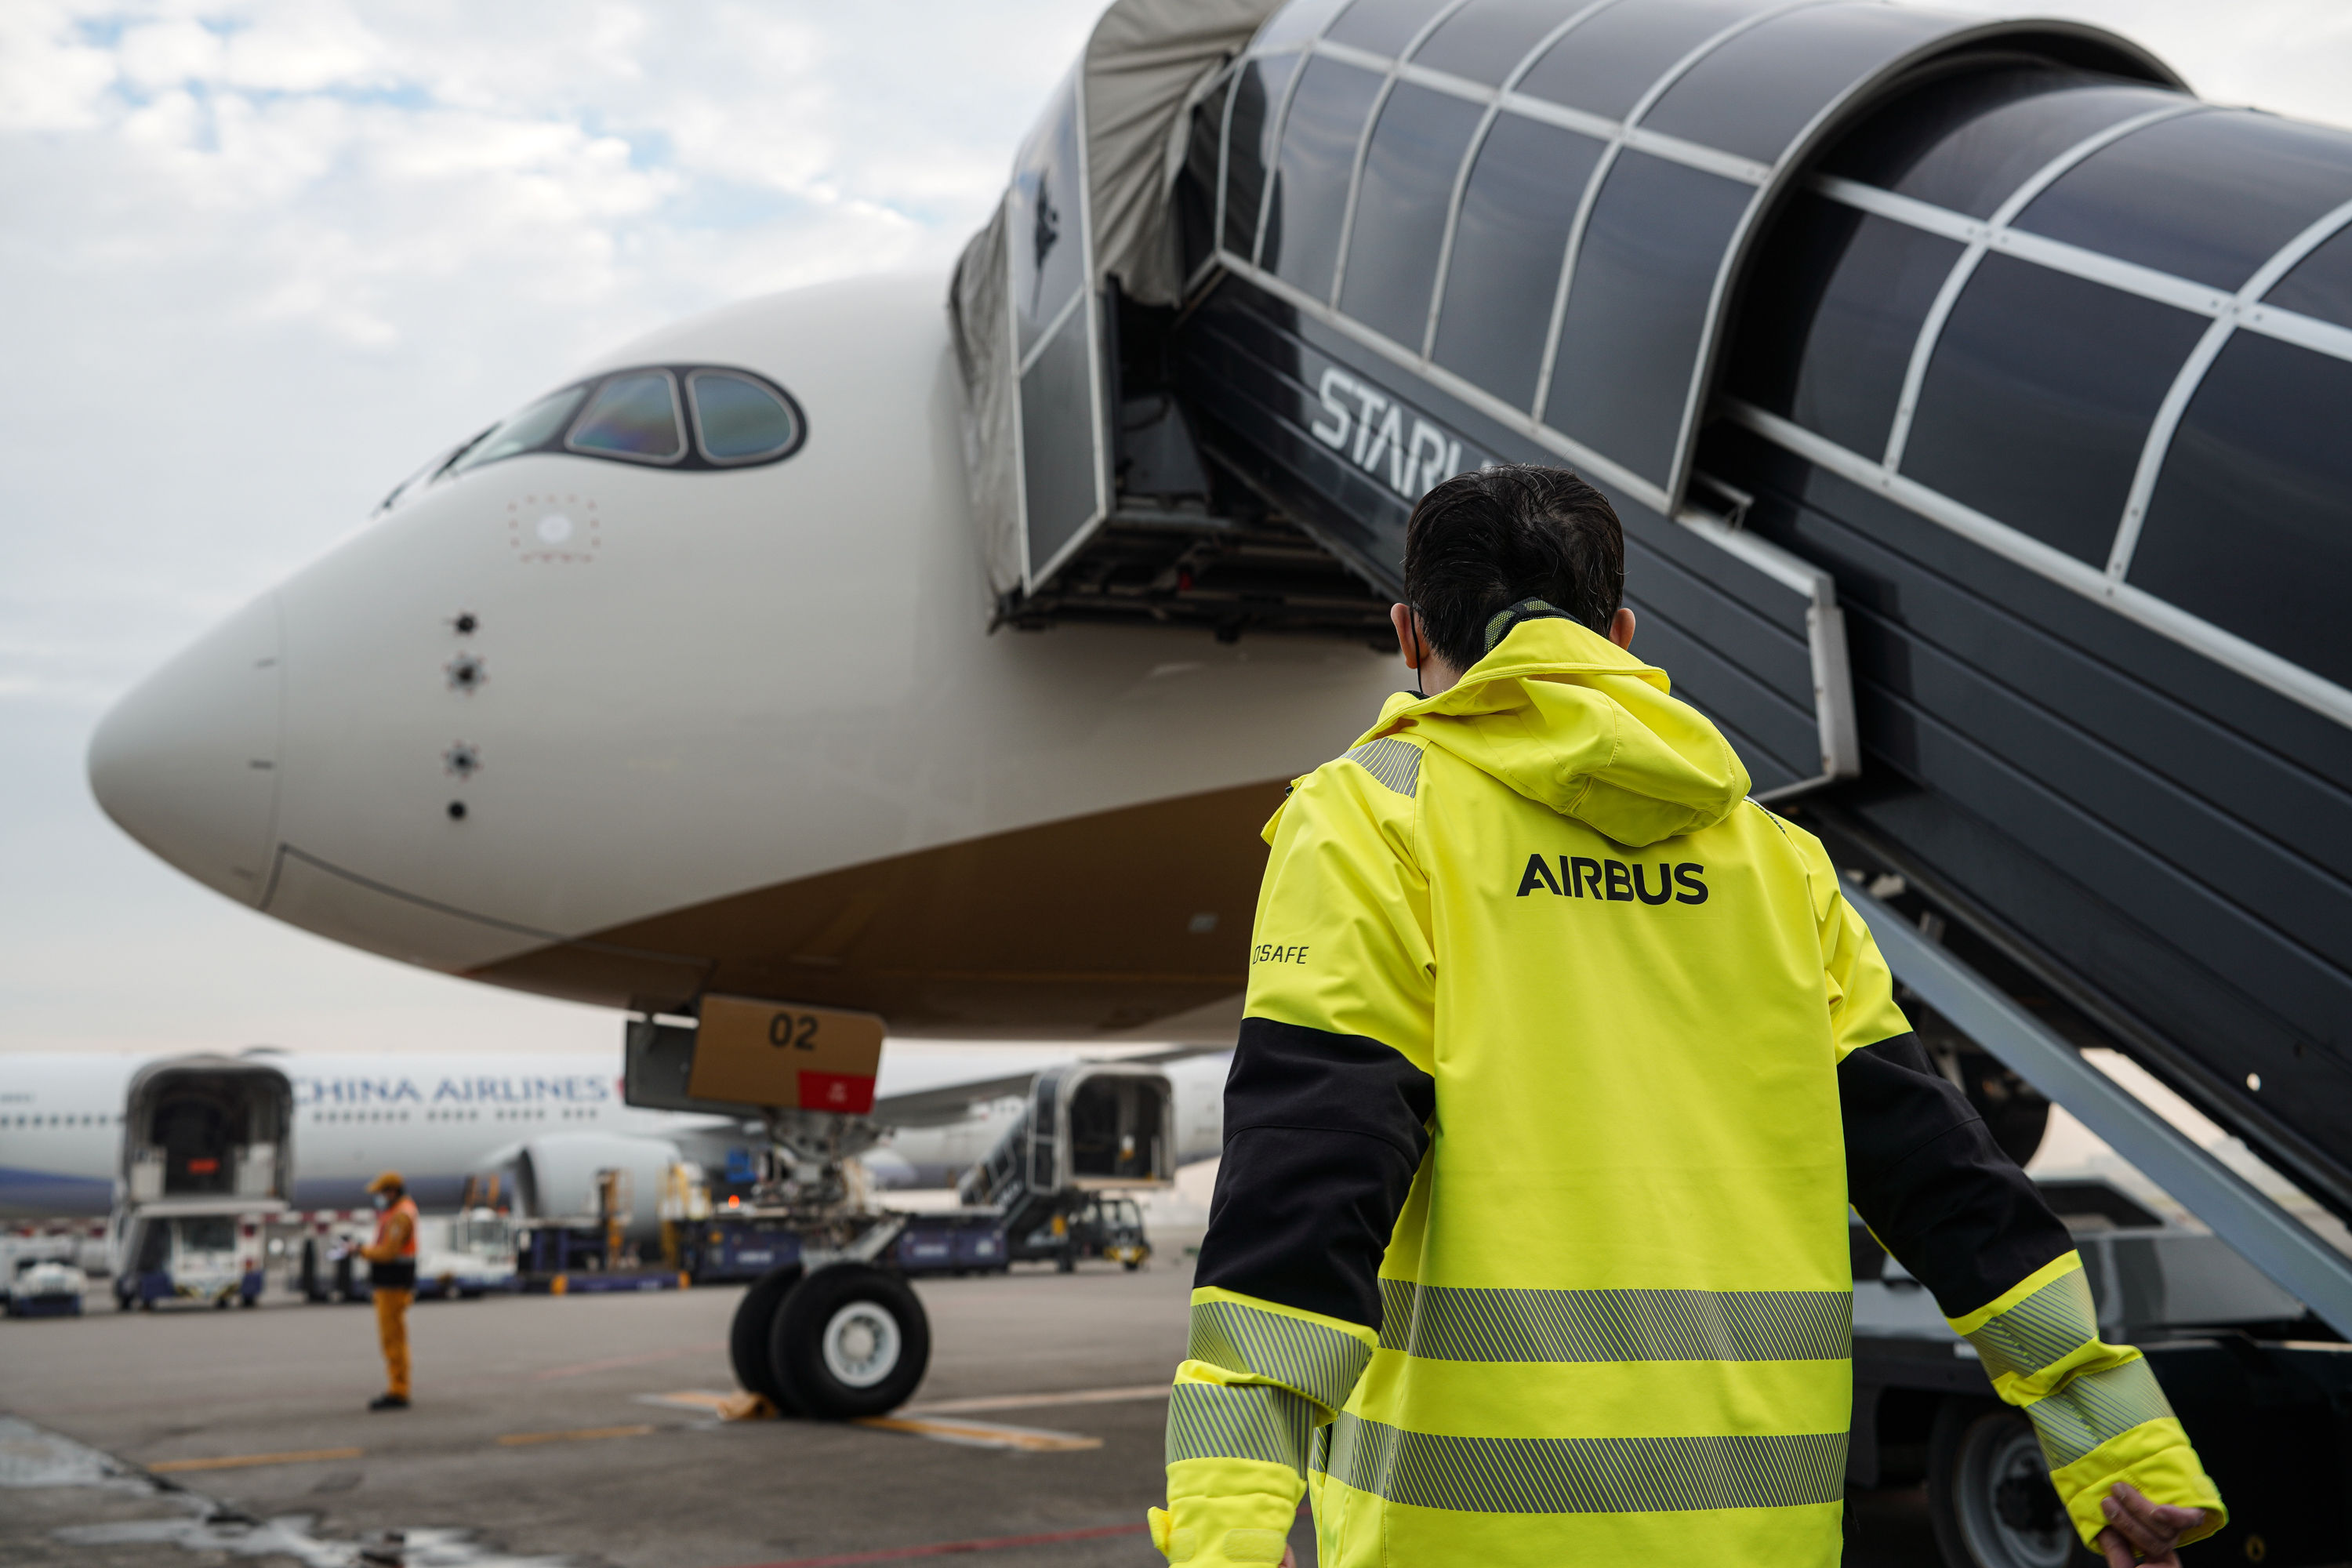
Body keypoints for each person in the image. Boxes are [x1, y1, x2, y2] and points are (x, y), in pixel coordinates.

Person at [1149, 466, 2224, 1568]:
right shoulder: (1776, 863)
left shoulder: (1374, 820)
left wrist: (1224, 1534)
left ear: (1409, 636)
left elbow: (1308, 1186)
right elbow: (1945, 1184)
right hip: (1762, 1540)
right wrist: (2121, 1453)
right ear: (1619, 632)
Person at [360, 1171, 418, 1411]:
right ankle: (398, 1386)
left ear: (392, 1191)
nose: (379, 1198)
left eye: (381, 1193)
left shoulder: (401, 1216)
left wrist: (360, 1251)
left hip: (394, 1286)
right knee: (392, 1338)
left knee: (393, 1339)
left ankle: (398, 1390)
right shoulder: (397, 1211)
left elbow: (388, 1253)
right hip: (390, 1285)